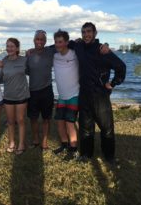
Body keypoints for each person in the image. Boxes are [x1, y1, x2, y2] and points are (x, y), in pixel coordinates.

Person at [71, 22, 126, 163]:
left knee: (106, 129)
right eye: (83, 32)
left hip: (100, 95)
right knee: (85, 128)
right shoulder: (78, 46)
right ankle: (86, 155)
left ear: (95, 33)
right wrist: (35, 50)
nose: (86, 34)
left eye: (89, 32)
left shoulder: (103, 50)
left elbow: (121, 67)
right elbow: (61, 45)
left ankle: (109, 157)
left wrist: (112, 83)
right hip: (84, 94)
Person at [52, 30, 79, 160]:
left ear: (67, 42)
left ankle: (73, 149)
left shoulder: (75, 54)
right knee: (59, 121)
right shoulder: (54, 56)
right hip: (62, 96)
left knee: (69, 123)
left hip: (74, 94)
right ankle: (64, 144)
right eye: (56, 42)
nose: (58, 44)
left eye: (61, 42)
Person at [26, 30, 55, 150]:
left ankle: (44, 142)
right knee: (33, 118)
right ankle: (35, 139)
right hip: (32, 91)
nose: (39, 41)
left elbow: (66, 44)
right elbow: (24, 70)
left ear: (45, 41)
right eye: (37, 39)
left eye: (42, 39)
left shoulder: (50, 51)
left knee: (46, 118)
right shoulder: (28, 55)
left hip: (47, 90)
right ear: (34, 41)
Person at [1, 38, 30, 155]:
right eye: (8, 46)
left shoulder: (24, 60)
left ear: (17, 48)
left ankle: (21, 144)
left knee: (21, 120)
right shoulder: (4, 61)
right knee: (10, 121)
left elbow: (32, 72)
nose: (9, 49)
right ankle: (12, 143)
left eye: (12, 46)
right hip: (8, 96)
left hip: (21, 95)